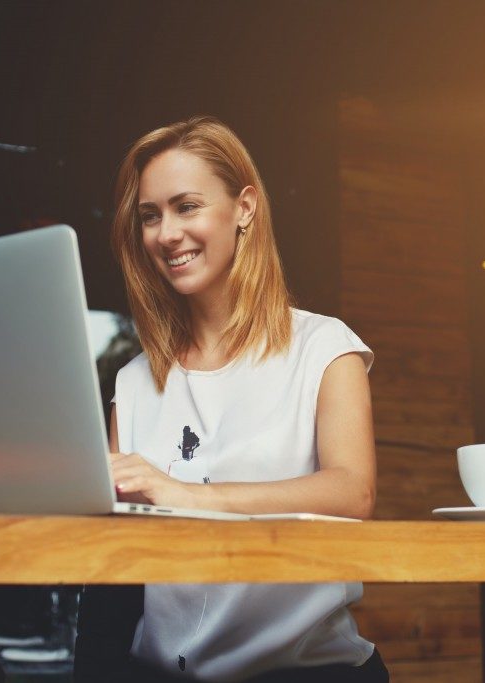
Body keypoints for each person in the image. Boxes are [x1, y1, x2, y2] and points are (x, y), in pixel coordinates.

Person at [104, 116, 387, 682]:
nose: (166, 233)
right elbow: (113, 545)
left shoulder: (324, 346)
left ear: (245, 209)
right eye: (150, 216)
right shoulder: (133, 383)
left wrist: (183, 496)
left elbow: (352, 491)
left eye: (187, 206)